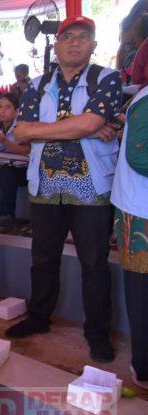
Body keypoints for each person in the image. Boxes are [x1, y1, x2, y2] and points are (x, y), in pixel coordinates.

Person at [6, 17, 123, 363]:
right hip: (45, 185)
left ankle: (97, 333)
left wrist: (85, 126)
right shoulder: (38, 84)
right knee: (43, 258)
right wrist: (84, 127)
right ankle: (39, 318)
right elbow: (21, 133)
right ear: (56, 45)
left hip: (91, 188)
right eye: (67, 37)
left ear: (93, 45)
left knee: (94, 263)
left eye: (83, 37)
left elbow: (89, 122)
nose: (75, 42)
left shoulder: (108, 78)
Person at [111, 84, 148, 390]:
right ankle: (144, 365)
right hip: (141, 213)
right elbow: (140, 156)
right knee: (142, 291)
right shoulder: (146, 101)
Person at [0, 93, 30, 228]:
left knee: (7, 171)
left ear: (16, 110)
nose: (2, 111)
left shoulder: (21, 127)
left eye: (7, 107)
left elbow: (25, 150)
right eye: (0, 107)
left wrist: (5, 142)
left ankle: (7, 215)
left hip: (21, 171)